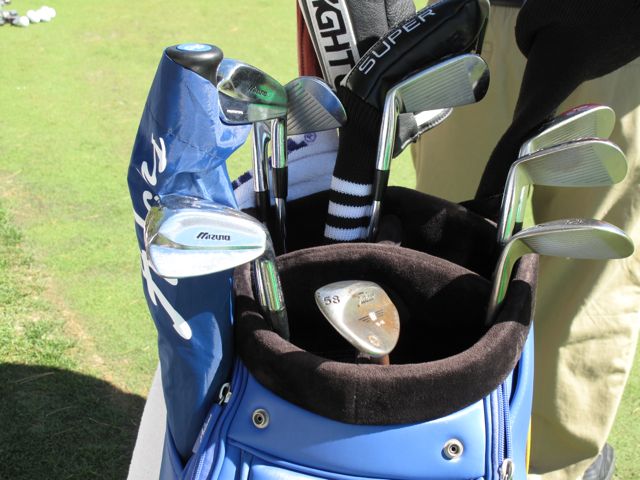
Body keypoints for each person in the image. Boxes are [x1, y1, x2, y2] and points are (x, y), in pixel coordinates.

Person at [412, 1, 640, 479]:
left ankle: (546, 467)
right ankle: (450, 452)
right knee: (442, 257)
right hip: (478, 23)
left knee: (586, 276)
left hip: (619, 35)